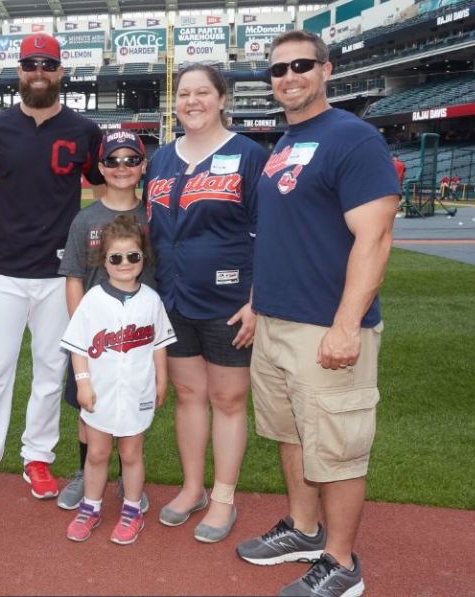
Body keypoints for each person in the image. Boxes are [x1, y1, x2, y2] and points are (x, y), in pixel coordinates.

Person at [237, 30, 400, 597]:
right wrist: (259, 303)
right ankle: (304, 530)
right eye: (278, 70)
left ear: (326, 70)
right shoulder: (284, 143)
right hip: (278, 323)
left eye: (301, 65)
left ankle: (341, 562)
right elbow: (282, 235)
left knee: (337, 447)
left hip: (325, 327)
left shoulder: (353, 139)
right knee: (292, 436)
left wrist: (347, 325)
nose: (288, 77)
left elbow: (375, 238)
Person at [0, 32, 106, 508]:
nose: (38, 72)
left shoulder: (84, 131)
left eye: (47, 64)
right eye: (29, 64)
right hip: (6, 270)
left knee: (48, 369)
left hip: (61, 274)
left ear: (61, 73)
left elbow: (102, 195)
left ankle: (37, 457)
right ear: (19, 72)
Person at [145, 63, 267, 543]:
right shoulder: (160, 160)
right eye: (184, 93)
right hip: (172, 298)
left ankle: (223, 497)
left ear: (222, 99)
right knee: (189, 396)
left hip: (230, 300)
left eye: (202, 92)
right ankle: (192, 487)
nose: (192, 100)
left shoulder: (248, 154)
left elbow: (267, 232)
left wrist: (258, 300)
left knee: (228, 399)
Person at [60, 215, 175, 545]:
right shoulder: (92, 300)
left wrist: (162, 381)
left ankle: (131, 509)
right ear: (103, 261)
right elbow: (78, 347)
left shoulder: (151, 300)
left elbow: (159, 345)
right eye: (116, 258)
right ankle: (90, 507)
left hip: (137, 391)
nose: (125, 263)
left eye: (133, 256)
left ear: (142, 258)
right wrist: (82, 382)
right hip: (100, 392)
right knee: (96, 454)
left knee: (131, 454)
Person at [56, 130, 154, 512]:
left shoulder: (152, 215)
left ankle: (128, 480)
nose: (122, 167)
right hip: (96, 337)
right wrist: (81, 333)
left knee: (132, 411)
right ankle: (86, 472)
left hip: (137, 337)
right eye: (113, 160)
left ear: (143, 166)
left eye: (131, 160)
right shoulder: (86, 219)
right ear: (100, 168)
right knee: (89, 408)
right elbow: (74, 277)